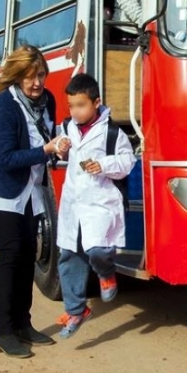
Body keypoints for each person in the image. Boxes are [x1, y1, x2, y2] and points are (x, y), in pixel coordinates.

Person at [0, 45, 64, 358]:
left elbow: (47, 134)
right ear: (17, 76)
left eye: (41, 75)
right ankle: (2, 331)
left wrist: (59, 146)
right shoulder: (3, 106)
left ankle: (23, 324)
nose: (37, 83)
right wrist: (46, 150)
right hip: (0, 190)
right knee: (11, 255)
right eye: (29, 77)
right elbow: (6, 158)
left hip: (30, 188)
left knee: (29, 255)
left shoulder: (48, 100)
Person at [55, 73, 136, 339]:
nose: (75, 111)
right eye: (71, 106)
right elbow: (59, 151)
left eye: (80, 105)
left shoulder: (112, 132)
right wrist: (60, 147)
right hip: (74, 203)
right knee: (69, 256)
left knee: (97, 249)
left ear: (96, 102)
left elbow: (127, 162)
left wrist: (103, 166)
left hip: (100, 202)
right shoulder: (67, 126)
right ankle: (76, 310)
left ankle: (106, 272)